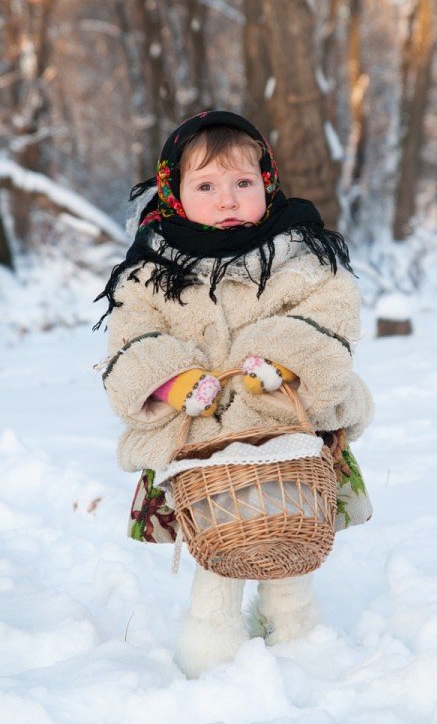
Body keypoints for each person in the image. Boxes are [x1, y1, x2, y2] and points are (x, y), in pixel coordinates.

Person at [94, 110, 374, 678]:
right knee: (219, 540)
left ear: (266, 185)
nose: (227, 199)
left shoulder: (300, 253)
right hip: (202, 444)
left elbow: (332, 313)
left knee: (289, 530)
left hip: (285, 427)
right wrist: (171, 381)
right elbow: (131, 339)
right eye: (206, 186)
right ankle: (211, 640)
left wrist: (284, 361)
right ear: (174, 194)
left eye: (242, 183)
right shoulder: (149, 272)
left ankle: (295, 627)